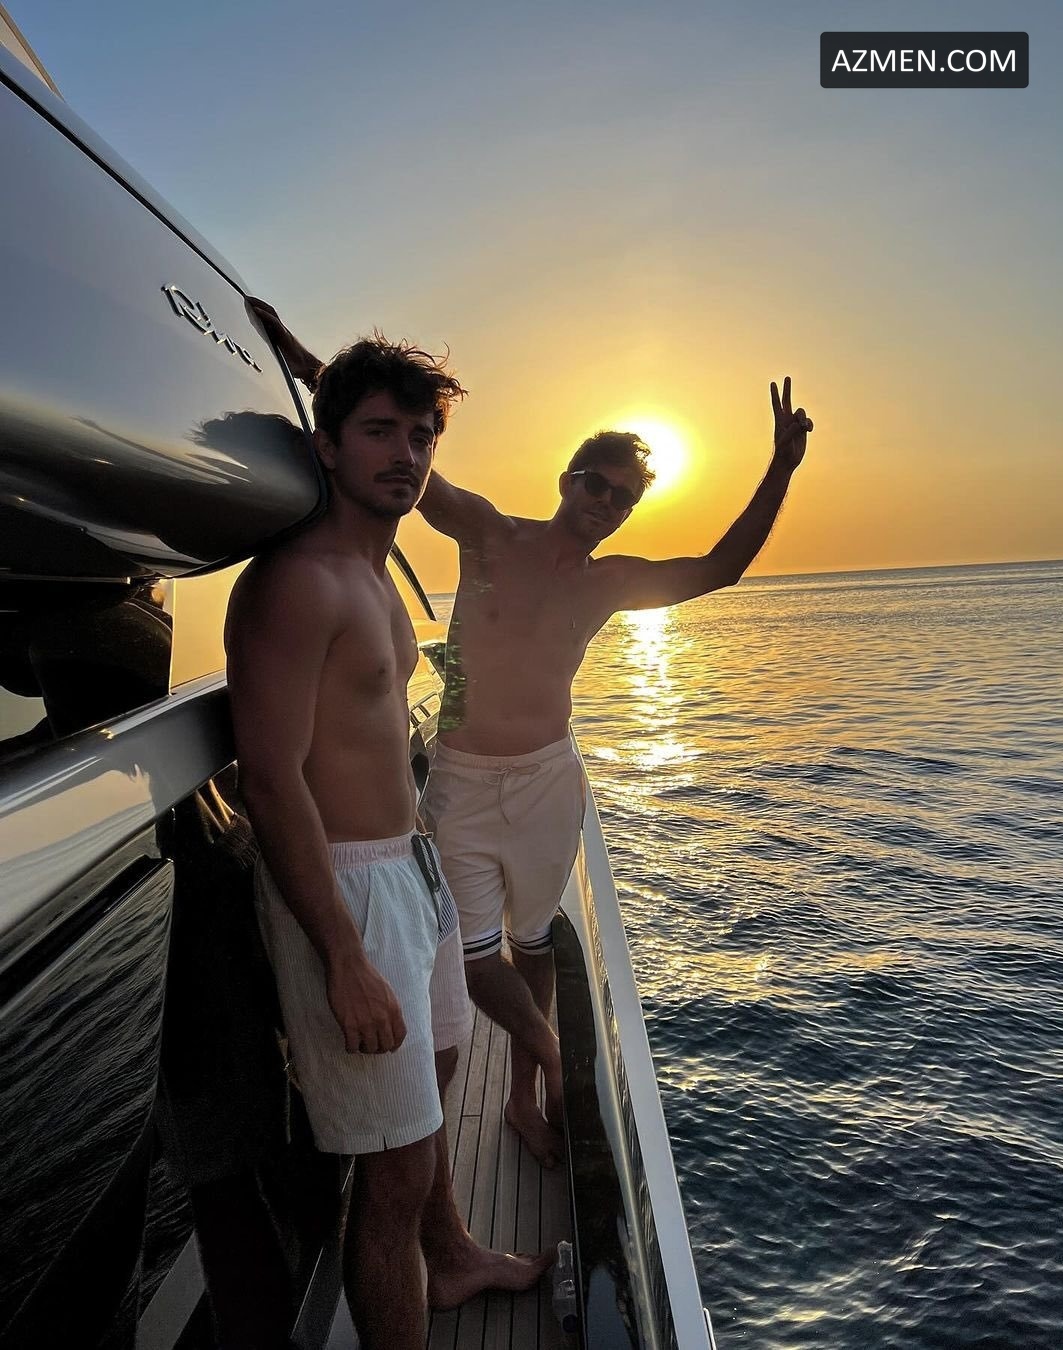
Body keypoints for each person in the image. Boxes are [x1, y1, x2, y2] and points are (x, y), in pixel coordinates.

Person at [245, 301, 812, 1170]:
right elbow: (401, 453)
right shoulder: (487, 534)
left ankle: (520, 1097)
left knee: (535, 941)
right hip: (463, 782)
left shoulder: (609, 582)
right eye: (595, 484)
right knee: (474, 959)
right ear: (567, 479)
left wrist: (780, 468)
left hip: (549, 778)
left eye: (623, 498)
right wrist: (299, 358)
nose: (605, 504)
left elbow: (719, 569)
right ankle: (548, 1053)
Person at [225, 331, 548, 1350]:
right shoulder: (298, 583)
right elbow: (272, 781)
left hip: (410, 868)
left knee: (439, 1080)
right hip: (347, 891)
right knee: (394, 1167)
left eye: (420, 435)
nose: (404, 454)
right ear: (326, 446)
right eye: (377, 432)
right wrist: (344, 956)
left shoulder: (375, 571)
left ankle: (447, 1258)